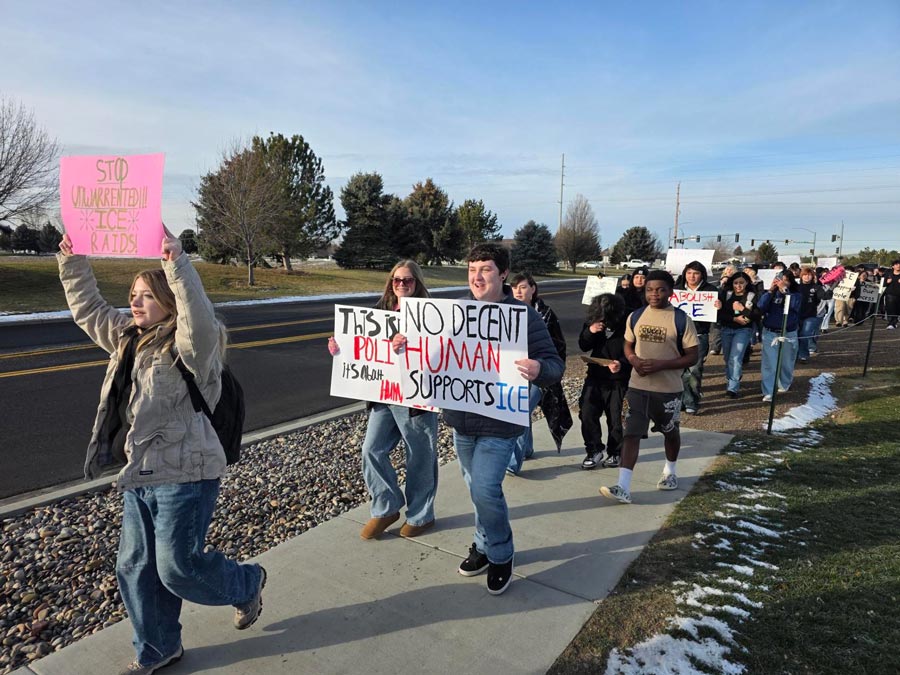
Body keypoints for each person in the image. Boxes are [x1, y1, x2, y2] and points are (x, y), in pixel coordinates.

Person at [57, 231, 265, 675]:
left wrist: (177, 264)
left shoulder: (192, 348)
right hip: (139, 474)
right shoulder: (127, 337)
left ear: (169, 301)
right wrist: (73, 261)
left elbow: (198, 319)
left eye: (147, 296)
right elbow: (88, 309)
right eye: (133, 295)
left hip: (185, 475)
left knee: (178, 568)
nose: (135, 302)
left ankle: (247, 583)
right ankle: (158, 648)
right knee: (135, 566)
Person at [394, 243, 563, 595]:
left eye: (485, 269)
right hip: (463, 422)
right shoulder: (454, 312)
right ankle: (482, 545)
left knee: (486, 489)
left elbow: (554, 365)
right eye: (472, 270)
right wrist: (405, 346)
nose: (477, 277)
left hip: (500, 425)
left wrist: (539, 369)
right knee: (476, 492)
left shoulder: (524, 317)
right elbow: (432, 355)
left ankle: (501, 553)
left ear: (503, 274)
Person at [327, 261, 439, 539]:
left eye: (408, 280)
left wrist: (410, 345)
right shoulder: (378, 312)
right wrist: (340, 349)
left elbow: (440, 351)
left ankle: (421, 516)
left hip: (416, 397)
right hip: (384, 395)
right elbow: (361, 346)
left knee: (420, 457)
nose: (401, 285)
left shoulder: (431, 314)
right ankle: (386, 506)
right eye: (396, 280)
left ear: (417, 283)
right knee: (371, 449)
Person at [599, 270, 699, 504]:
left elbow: (692, 356)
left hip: (668, 390)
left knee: (670, 432)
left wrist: (662, 364)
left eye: (660, 289)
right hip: (637, 386)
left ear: (670, 292)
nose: (654, 294)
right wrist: (633, 360)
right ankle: (623, 486)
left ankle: (670, 472)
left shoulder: (681, 319)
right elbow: (628, 345)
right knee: (631, 433)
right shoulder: (636, 316)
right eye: (650, 290)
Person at [506, 272, 572, 474]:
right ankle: (526, 448)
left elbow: (558, 347)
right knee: (520, 410)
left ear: (533, 289)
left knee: (521, 410)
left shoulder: (546, 314)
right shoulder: (505, 311)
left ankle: (513, 462)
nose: (518, 291)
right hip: (515, 371)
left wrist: (546, 369)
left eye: (523, 287)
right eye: (514, 287)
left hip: (540, 375)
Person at [578, 293, 631, 469]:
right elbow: (583, 345)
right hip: (595, 376)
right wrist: (591, 331)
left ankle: (615, 452)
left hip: (618, 379)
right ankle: (594, 450)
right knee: (587, 412)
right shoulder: (593, 321)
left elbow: (636, 350)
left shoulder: (628, 323)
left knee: (615, 417)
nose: (603, 321)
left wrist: (621, 364)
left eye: (605, 318)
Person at [674, 261, 720, 415]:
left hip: (699, 335)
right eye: (689, 273)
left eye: (696, 273)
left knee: (694, 370)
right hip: (677, 335)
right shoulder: (676, 290)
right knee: (678, 370)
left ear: (702, 275)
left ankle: (692, 402)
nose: (692, 276)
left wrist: (719, 308)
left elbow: (717, 316)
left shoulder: (710, 291)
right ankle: (680, 400)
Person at [757, 269, 802, 401]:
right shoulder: (770, 294)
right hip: (770, 332)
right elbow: (760, 306)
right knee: (769, 363)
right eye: (779, 280)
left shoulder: (796, 294)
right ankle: (768, 391)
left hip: (789, 332)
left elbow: (794, 306)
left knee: (787, 361)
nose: (782, 283)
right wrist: (770, 291)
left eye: (786, 281)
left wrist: (785, 292)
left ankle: (784, 383)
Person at [717, 271, 760, 397]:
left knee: (735, 358)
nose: (738, 286)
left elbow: (757, 315)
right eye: (736, 283)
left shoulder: (752, 296)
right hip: (726, 329)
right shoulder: (726, 294)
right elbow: (719, 314)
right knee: (727, 358)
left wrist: (742, 309)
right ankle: (732, 377)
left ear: (747, 283)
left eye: (741, 283)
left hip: (744, 330)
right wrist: (734, 318)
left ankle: (732, 388)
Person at [796, 266, 827, 363]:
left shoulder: (816, 287)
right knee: (796, 334)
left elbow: (824, 296)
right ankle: (795, 354)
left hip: (811, 315)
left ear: (813, 276)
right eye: (805, 275)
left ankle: (803, 355)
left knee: (805, 334)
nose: (807, 277)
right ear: (801, 276)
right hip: (796, 315)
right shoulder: (796, 287)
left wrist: (831, 288)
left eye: (809, 275)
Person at [884, 259, 900, 329]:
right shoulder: (888, 274)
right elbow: (883, 284)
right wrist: (887, 282)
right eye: (896, 264)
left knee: (897, 310)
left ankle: (895, 322)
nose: (898, 265)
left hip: (899, 295)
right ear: (893, 266)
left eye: (899, 264)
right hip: (890, 295)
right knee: (890, 309)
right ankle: (891, 323)